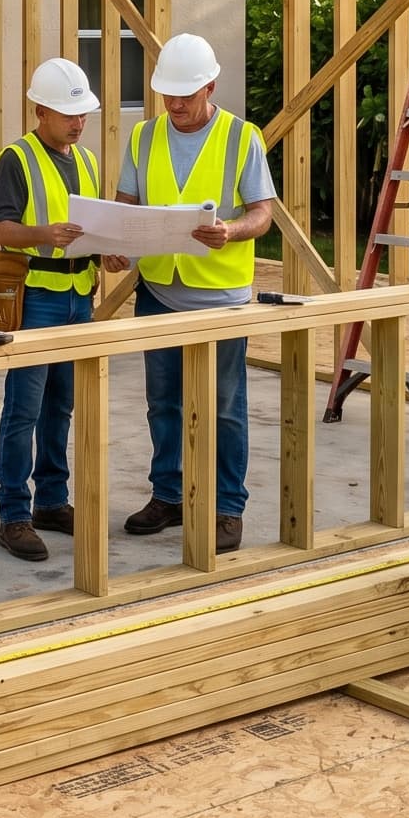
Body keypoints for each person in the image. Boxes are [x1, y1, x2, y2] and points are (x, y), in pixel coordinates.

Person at [109, 33, 275, 555]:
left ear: (210, 86)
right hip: (159, 290)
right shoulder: (143, 137)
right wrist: (113, 242)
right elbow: (126, 205)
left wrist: (231, 230)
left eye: (186, 95)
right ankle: (170, 494)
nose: (176, 105)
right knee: (164, 404)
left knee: (224, 407)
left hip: (220, 296)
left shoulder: (241, 138)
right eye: (168, 95)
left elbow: (262, 213)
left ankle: (228, 507)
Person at [0, 57, 104, 562]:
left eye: (82, 114)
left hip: (80, 296)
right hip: (36, 299)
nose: (78, 123)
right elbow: (2, 230)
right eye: (67, 114)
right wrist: (44, 235)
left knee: (61, 406)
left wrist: (107, 250)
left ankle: (53, 501)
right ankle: (14, 515)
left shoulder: (88, 161)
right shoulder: (15, 159)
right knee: (24, 410)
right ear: (39, 110)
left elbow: (90, 227)